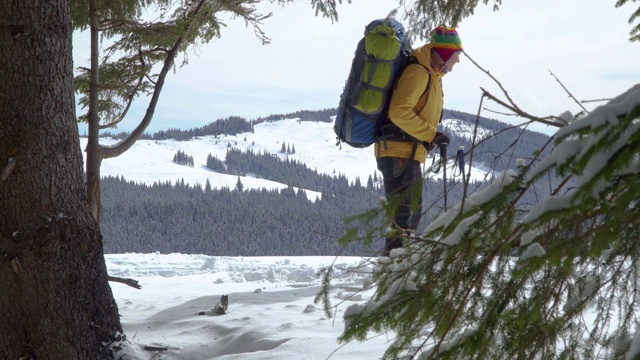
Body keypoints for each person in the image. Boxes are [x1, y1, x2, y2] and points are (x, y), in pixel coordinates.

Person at [374, 26, 463, 256]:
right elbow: (399, 112)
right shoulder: (419, 72)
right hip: (399, 152)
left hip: (408, 152)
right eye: (456, 55)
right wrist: (431, 134)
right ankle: (393, 270)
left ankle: (398, 267)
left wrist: (431, 136)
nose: (458, 61)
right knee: (403, 218)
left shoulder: (431, 74)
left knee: (410, 215)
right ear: (444, 53)